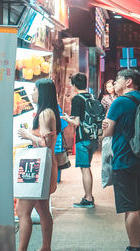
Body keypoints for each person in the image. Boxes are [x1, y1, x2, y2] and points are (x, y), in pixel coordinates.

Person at [101, 69, 140, 251]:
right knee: (139, 205)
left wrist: (104, 125)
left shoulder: (119, 102)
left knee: (130, 207)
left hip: (124, 159)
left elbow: (107, 132)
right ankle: (138, 242)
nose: (115, 83)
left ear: (128, 81)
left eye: (117, 79)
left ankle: (134, 246)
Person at [17, 78, 61, 251]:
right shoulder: (49, 112)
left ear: (42, 93)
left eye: (34, 90)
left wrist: (28, 135)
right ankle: (45, 247)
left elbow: (44, 143)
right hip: (44, 165)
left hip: (36, 166)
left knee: (22, 211)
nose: (32, 93)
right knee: (42, 209)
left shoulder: (44, 113)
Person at [62, 73, 98, 208]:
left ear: (74, 84)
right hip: (93, 138)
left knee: (85, 169)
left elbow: (76, 122)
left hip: (83, 139)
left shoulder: (77, 99)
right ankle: (88, 195)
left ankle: (88, 198)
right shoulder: (91, 96)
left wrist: (66, 119)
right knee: (87, 168)